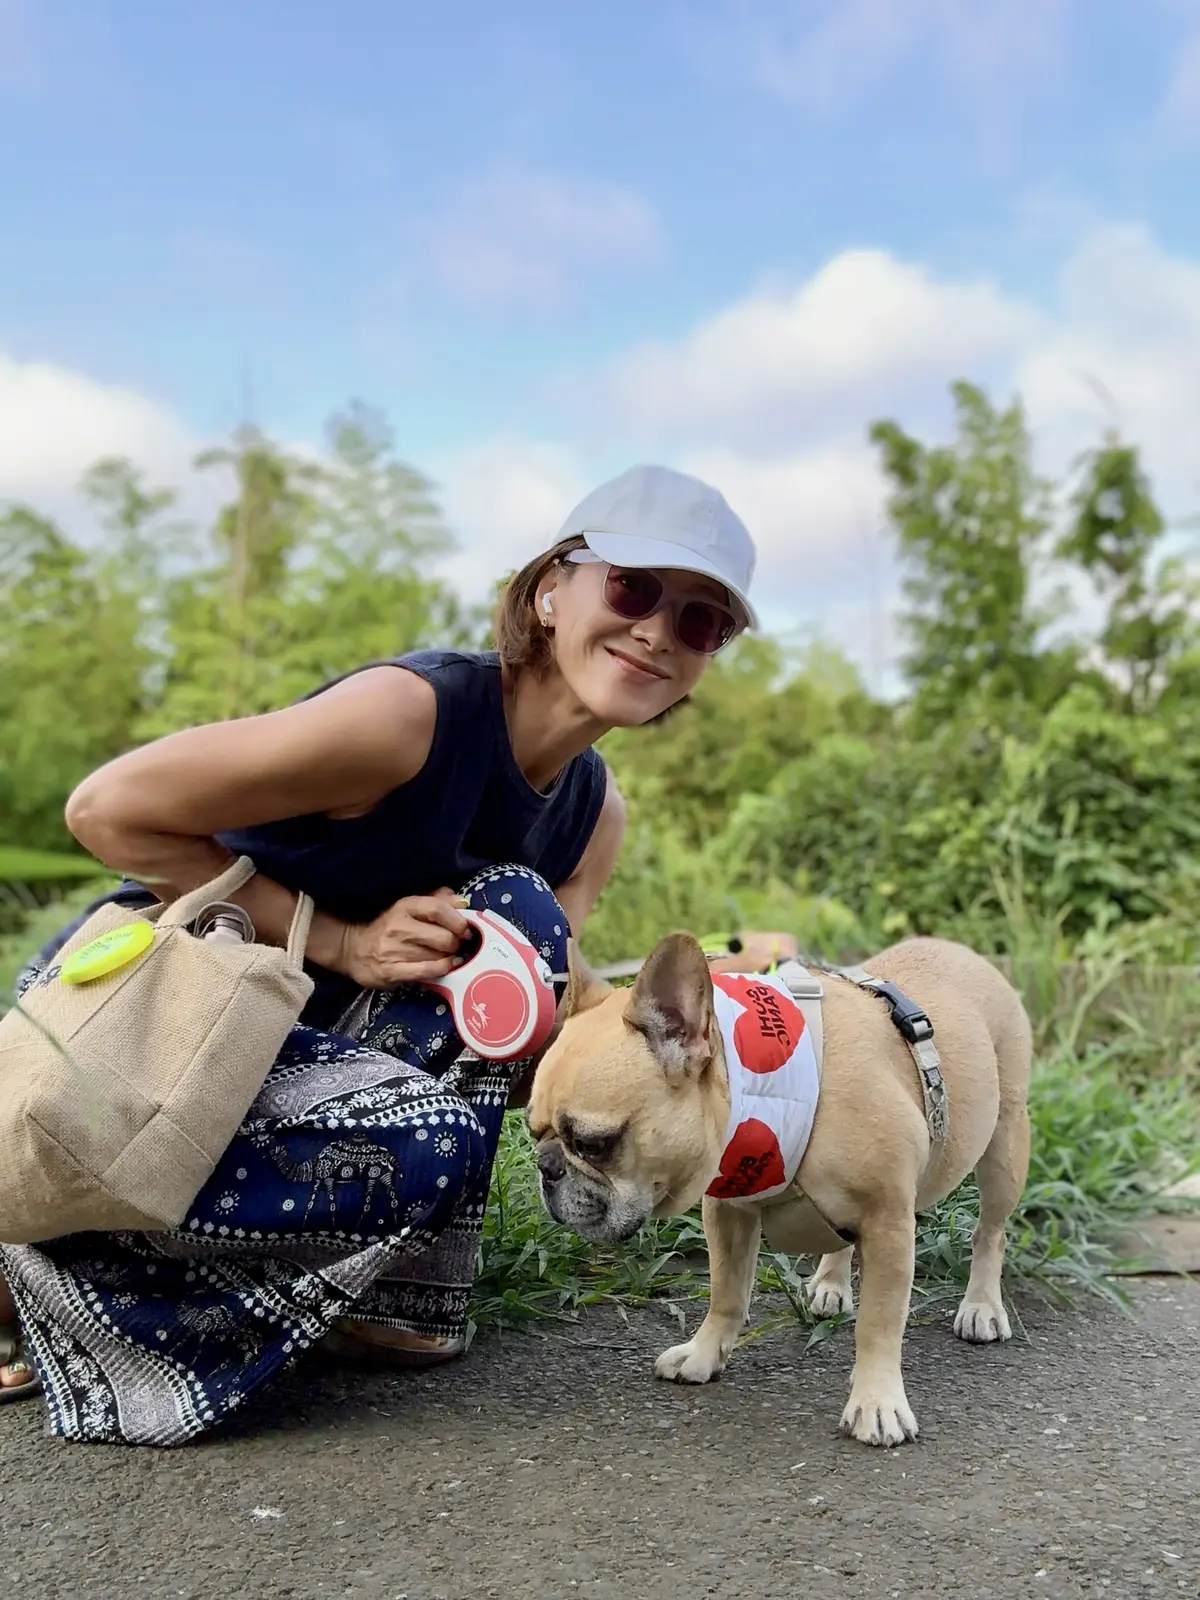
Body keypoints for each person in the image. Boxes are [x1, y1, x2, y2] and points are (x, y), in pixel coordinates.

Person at [0, 463, 760, 1445]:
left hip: (305, 1060)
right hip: (146, 1031)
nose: (658, 628)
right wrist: (341, 938)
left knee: (521, 925)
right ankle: (44, 1258)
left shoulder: (591, 812)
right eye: (634, 587)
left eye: (700, 619)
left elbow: (567, 1008)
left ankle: (395, 1302)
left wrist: (746, 1031)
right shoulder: (412, 716)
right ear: (550, 588)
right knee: (432, 1137)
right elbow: (107, 810)